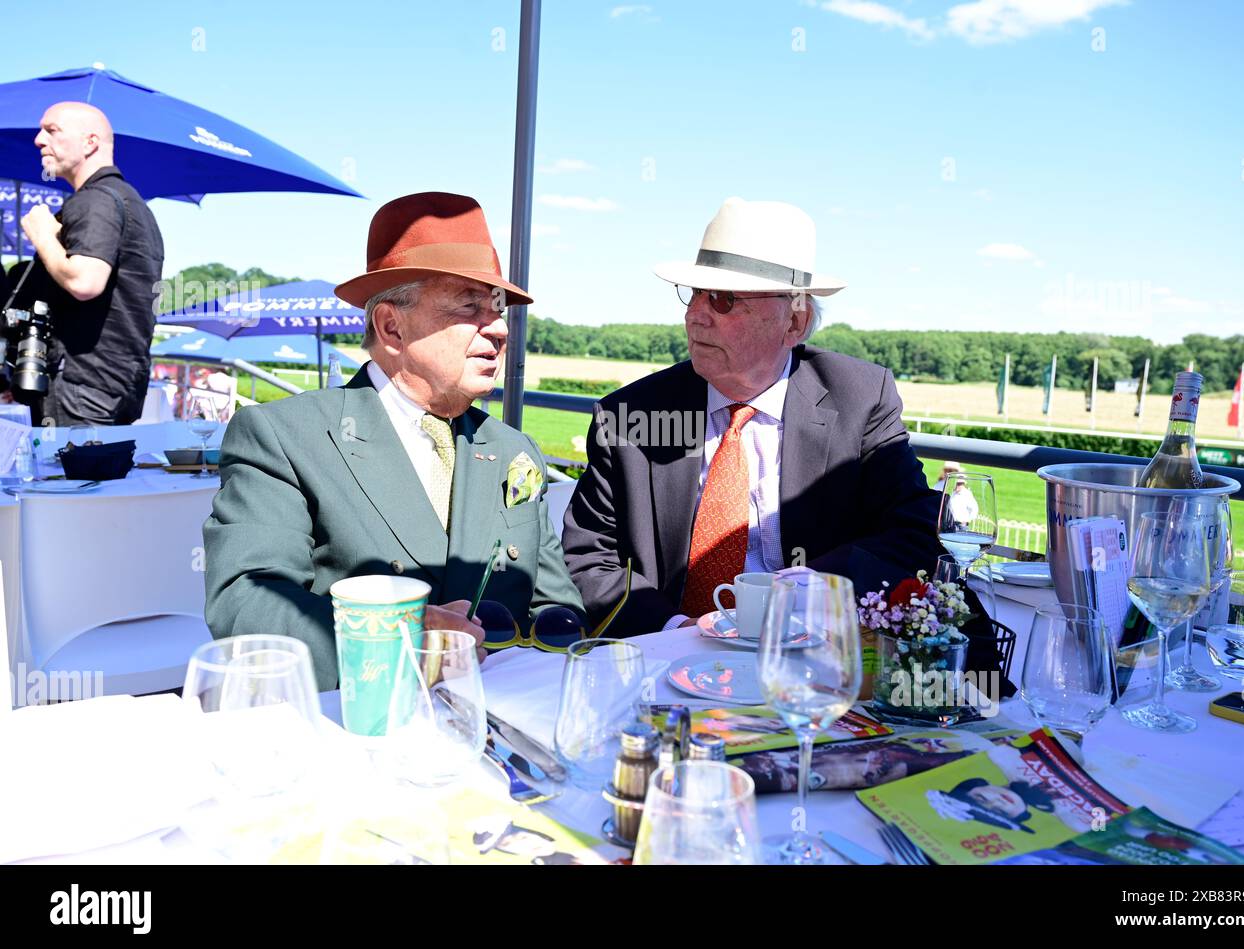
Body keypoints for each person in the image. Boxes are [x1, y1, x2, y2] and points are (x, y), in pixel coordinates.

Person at [203, 192, 584, 690]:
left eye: (498, 310)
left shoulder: (515, 451)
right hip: (356, 726)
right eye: (470, 307)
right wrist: (398, 640)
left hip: (500, 730)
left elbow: (557, 611)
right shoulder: (284, 436)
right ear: (391, 327)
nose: (498, 330)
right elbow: (247, 605)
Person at [563, 197, 950, 640]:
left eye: (724, 300)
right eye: (693, 295)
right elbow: (589, 558)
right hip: (665, 655)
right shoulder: (631, 416)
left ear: (794, 322)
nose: (694, 315)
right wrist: (676, 630)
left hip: (811, 656)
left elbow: (916, 531)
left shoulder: (860, 400)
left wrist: (805, 595)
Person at [17, 102, 164, 426]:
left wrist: (42, 237)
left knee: (68, 477)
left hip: (81, 386)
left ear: (90, 142)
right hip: (115, 384)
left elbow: (85, 281)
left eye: (52, 130)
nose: (39, 140)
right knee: (97, 476)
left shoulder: (96, 199)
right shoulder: (134, 204)